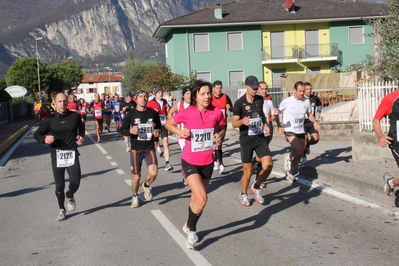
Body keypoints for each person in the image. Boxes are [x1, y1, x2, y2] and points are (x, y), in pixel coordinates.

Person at [165, 80, 225, 249]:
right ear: (195, 96)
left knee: (196, 199)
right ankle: (192, 230)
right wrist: (180, 132)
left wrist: (219, 136)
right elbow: (168, 124)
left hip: (208, 162)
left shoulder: (216, 112)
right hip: (190, 161)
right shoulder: (187, 112)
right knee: (202, 198)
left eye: (209, 93)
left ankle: (188, 224)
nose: (207, 96)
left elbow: (221, 127)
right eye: (203, 94)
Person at [33, 92, 85, 221]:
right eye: (60, 101)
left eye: (64, 101)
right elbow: (37, 134)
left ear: (68, 102)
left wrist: (80, 137)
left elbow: (81, 128)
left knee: (75, 182)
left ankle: (70, 194)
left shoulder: (74, 116)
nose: (62, 104)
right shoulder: (49, 119)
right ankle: (61, 209)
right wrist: (44, 139)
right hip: (57, 155)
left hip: (72, 153)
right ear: (54, 102)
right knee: (59, 186)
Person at [232, 76, 273, 207]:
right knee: (248, 172)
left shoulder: (260, 99)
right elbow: (233, 123)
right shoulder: (239, 103)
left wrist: (265, 125)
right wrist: (241, 122)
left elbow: (261, 114)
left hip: (259, 137)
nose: (256, 90)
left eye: (257, 88)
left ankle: (256, 186)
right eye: (253, 88)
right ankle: (243, 194)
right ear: (246, 87)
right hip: (246, 140)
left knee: (268, 165)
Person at [120, 90, 161, 208]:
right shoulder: (130, 114)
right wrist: (129, 131)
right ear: (136, 99)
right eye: (141, 97)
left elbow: (158, 126)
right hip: (136, 148)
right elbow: (122, 129)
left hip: (149, 148)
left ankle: (146, 185)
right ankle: (134, 196)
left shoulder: (153, 113)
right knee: (136, 176)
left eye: (145, 96)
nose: (143, 98)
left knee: (154, 173)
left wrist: (156, 133)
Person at [277, 81, 321, 182]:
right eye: (300, 91)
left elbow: (309, 113)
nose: (302, 93)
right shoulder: (287, 101)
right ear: (294, 90)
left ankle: (290, 172)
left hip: (300, 129)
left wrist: (315, 122)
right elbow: (277, 111)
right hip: (289, 129)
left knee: (301, 152)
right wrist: (279, 125)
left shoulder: (306, 101)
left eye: (303, 91)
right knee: (297, 148)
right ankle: (288, 156)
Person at [373, 90, 399, 196]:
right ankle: (391, 182)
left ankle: (391, 182)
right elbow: (376, 119)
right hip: (397, 142)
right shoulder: (392, 98)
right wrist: (380, 136)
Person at [149, 85, 173, 171]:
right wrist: (153, 113)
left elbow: (168, 111)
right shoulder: (151, 103)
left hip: (163, 125)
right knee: (155, 145)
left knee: (166, 143)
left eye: (161, 92)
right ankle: (153, 162)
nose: (160, 94)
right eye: (159, 92)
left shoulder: (165, 101)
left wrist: (168, 112)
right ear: (155, 94)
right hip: (155, 125)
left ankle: (167, 163)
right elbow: (147, 114)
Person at [211, 80, 233, 174]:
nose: (219, 90)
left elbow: (232, 109)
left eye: (220, 88)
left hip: (222, 124)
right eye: (217, 88)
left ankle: (217, 161)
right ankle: (220, 164)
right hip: (212, 124)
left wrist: (230, 108)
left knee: (219, 144)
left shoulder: (225, 97)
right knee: (217, 143)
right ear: (213, 88)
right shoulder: (210, 97)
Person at [301, 82, 322, 164]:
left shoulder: (314, 98)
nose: (309, 91)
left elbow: (319, 105)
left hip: (312, 121)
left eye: (310, 89)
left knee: (316, 139)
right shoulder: (301, 99)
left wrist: (318, 111)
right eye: (307, 89)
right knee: (304, 141)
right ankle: (303, 157)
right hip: (303, 122)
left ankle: (308, 145)